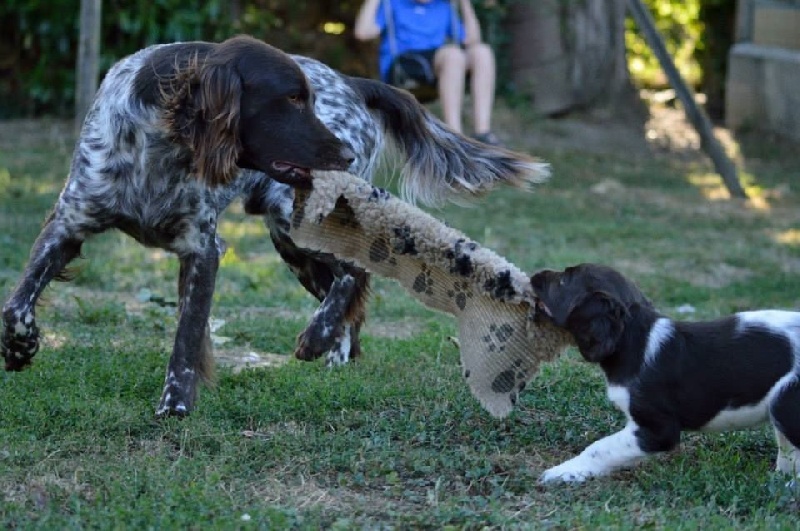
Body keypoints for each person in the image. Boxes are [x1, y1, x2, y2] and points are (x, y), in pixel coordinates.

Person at [354, 0, 501, 146]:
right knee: (453, 55)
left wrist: (464, 3)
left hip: (438, 63)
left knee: (482, 53)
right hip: (404, 65)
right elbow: (362, 32)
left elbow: (472, 39)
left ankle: (482, 132)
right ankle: (455, 135)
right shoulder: (393, 4)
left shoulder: (443, 7)